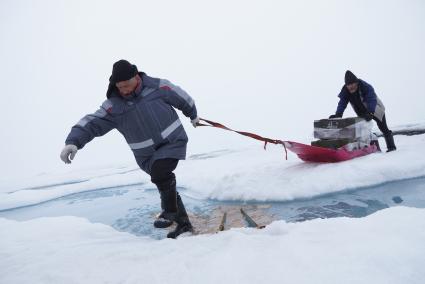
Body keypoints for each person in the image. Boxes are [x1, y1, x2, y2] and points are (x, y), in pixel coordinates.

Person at [60, 59, 200, 238]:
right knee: (163, 181)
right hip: (146, 156)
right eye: (120, 87)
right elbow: (92, 122)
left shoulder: (158, 87)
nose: (124, 90)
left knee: (161, 174)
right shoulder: (113, 106)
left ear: (136, 77)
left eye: (127, 85)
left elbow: (181, 97)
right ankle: (184, 224)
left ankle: (169, 213)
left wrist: (193, 115)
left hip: (172, 142)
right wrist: (73, 142)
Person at [329, 70, 396, 152]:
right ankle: (370, 148)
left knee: (383, 128)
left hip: (375, 109)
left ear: (356, 82)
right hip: (362, 113)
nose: (351, 86)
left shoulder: (365, 86)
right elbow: (342, 103)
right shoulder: (345, 91)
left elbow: (371, 99)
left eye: (352, 84)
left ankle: (391, 147)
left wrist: (370, 112)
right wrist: (338, 114)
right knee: (364, 130)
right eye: (349, 85)